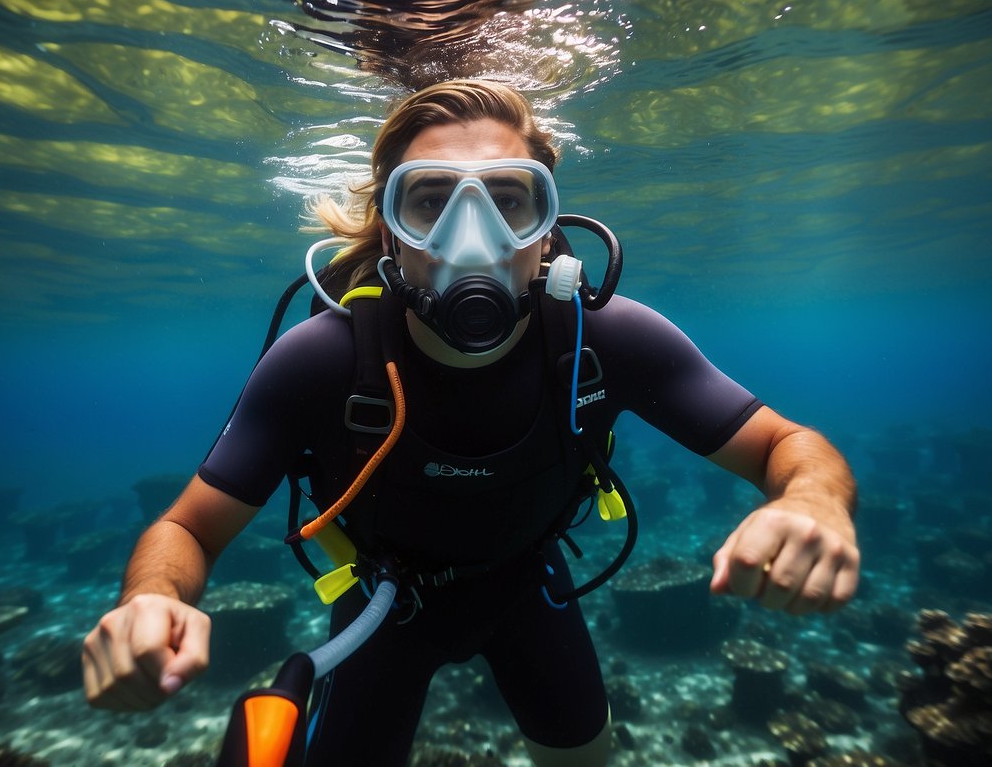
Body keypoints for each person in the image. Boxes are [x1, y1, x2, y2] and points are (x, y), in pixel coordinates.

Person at [82, 79, 860, 766]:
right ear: (391, 231)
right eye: (429, 201)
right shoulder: (319, 360)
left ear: (547, 232)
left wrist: (811, 500)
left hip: (531, 588)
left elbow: (788, 446)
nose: (471, 236)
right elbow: (187, 530)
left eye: (508, 199)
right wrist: (150, 599)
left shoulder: (609, 340)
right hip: (380, 610)